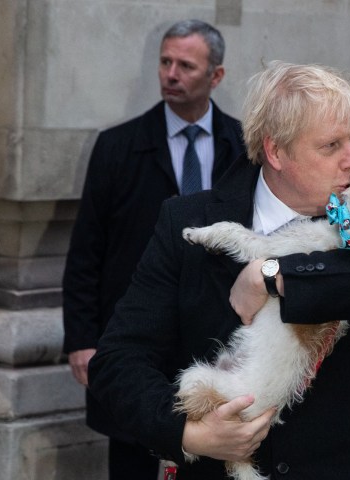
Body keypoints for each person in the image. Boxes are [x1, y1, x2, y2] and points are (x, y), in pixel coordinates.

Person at [88, 61, 350, 479]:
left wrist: (273, 273)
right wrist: (190, 434)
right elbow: (118, 360)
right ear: (275, 151)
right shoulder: (185, 221)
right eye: (332, 145)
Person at [61, 19, 245, 480]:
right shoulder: (117, 146)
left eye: (186, 65)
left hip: (216, 342)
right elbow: (86, 251)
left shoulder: (244, 148)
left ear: (215, 76)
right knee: (131, 456)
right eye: (165, 62)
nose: (171, 73)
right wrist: (83, 339)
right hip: (134, 337)